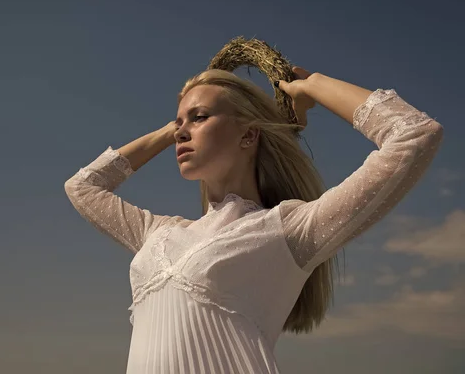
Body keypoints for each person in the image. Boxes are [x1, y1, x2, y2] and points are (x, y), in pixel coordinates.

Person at [64, 55, 443, 373]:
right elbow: (82, 187)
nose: (182, 132)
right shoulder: (157, 233)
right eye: (180, 122)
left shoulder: (287, 230)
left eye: (200, 117)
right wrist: (171, 129)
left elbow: (414, 135)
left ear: (249, 135)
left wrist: (311, 86)